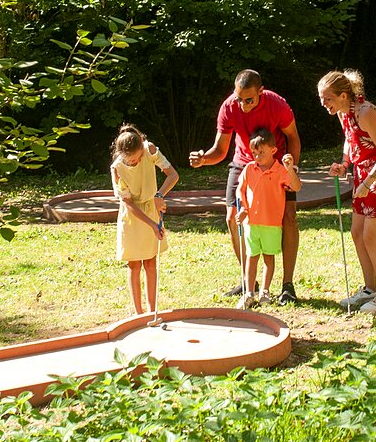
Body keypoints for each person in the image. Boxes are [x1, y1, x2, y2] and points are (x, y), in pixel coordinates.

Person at [189, 69, 303, 304]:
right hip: (243, 163)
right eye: (238, 98)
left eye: (248, 100)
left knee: (288, 217)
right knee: (232, 216)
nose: (242, 105)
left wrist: (292, 168)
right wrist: (203, 159)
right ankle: (248, 282)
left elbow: (293, 137)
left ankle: (287, 285)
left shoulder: (277, 104)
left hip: (276, 161)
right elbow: (220, 151)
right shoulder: (229, 107)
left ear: (261, 92)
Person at [317, 69, 376, 316]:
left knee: (371, 238)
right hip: (364, 175)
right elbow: (349, 139)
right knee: (357, 233)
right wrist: (345, 164)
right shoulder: (344, 113)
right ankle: (369, 289)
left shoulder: (366, 113)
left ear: (344, 95)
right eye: (322, 99)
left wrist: (368, 182)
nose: (324, 105)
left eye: (328, 99)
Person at [110, 123, 179, 316]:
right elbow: (129, 204)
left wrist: (159, 195)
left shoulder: (150, 150)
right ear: (121, 155)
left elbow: (173, 175)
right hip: (132, 216)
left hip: (150, 209)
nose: (134, 162)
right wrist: (151, 225)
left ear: (142, 148)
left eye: (137, 158)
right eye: (130, 160)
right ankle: (138, 314)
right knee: (134, 264)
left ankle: (152, 310)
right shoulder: (117, 169)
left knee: (150, 261)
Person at [235, 128, 302, 309]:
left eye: (261, 152)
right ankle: (249, 292)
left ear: (273, 150)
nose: (257, 156)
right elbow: (239, 189)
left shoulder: (280, 170)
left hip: (272, 224)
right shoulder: (249, 169)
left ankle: (265, 291)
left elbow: (296, 187)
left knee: (268, 258)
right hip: (252, 223)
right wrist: (243, 208)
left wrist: (290, 168)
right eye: (254, 153)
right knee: (251, 256)